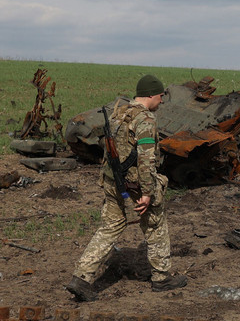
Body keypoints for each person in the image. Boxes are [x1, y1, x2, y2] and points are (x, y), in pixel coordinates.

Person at [66, 74, 187, 301]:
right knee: (155, 225)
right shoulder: (145, 120)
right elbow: (146, 159)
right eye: (160, 96)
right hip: (135, 183)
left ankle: (81, 277)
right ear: (151, 95)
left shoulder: (118, 114)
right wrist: (148, 193)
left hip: (112, 180)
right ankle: (161, 277)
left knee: (110, 227)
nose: (161, 101)